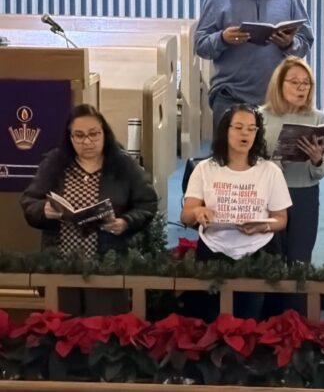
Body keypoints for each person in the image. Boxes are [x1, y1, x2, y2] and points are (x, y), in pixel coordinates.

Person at [21, 104, 158, 315]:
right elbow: (29, 201)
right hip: (62, 263)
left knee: (105, 326)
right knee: (63, 325)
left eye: (94, 134)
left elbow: (147, 203)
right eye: (79, 135)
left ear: (104, 133)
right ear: (70, 137)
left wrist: (125, 222)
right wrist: (43, 210)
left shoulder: (123, 164)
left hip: (107, 263)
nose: (87, 141)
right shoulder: (55, 163)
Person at [181, 104, 292, 319]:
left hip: (258, 251)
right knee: (211, 318)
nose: (245, 134)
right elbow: (186, 215)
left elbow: (281, 219)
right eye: (239, 127)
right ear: (226, 130)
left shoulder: (270, 171)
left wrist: (263, 225)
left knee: (250, 319)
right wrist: (198, 212)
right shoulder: (205, 169)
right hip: (214, 250)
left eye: (251, 129)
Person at [195, 0, 314, 129]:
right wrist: (223, 39)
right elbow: (201, 46)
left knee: (276, 151)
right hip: (230, 95)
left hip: (279, 97)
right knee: (231, 151)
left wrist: (289, 44)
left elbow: (306, 41)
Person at [260, 56, 324, 263]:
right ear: (279, 84)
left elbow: (321, 171)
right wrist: (277, 163)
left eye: (306, 83)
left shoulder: (318, 118)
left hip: (304, 194)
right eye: (295, 82)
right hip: (270, 194)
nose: (302, 88)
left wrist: (317, 160)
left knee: (300, 256)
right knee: (271, 256)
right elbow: (251, 162)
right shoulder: (260, 116)